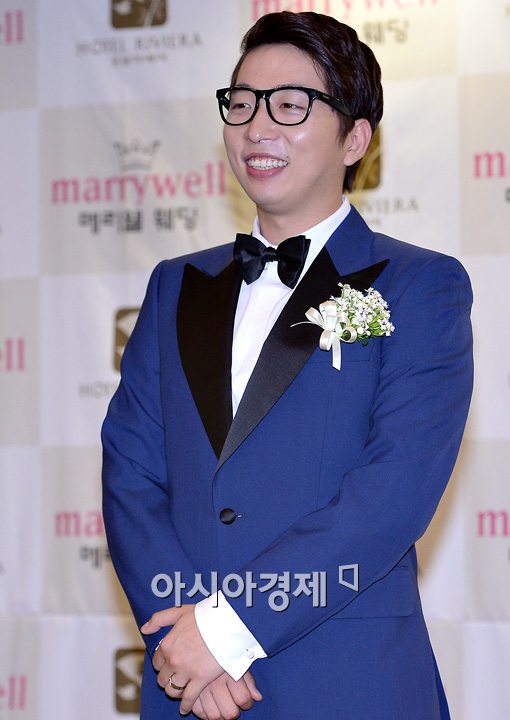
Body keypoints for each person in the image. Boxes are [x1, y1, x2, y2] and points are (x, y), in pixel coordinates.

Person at [102, 10, 473, 720]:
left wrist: (227, 630)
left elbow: (392, 493)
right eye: (242, 103)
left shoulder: (421, 286)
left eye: (291, 105)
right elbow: (130, 472)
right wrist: (188, 639)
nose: (257, 127)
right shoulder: (175, 285)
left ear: (355, 138)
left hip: (346, 682)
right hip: (188, 684)